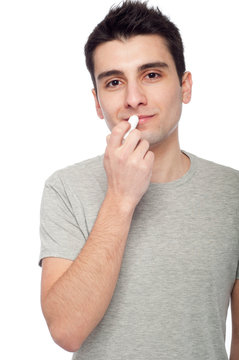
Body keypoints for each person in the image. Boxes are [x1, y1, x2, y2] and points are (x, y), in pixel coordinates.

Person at [39, 1, 239, 359]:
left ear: (185, 86)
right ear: (98, 103)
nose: (134, 99)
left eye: (151, 75)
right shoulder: (65, 189)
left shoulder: (233, 193)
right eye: (114, 82)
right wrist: (120, 197)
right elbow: (66, 330)